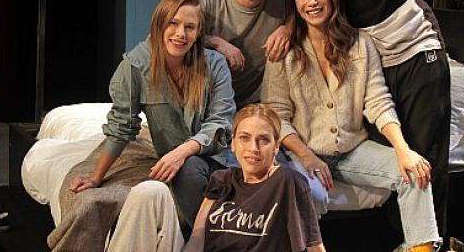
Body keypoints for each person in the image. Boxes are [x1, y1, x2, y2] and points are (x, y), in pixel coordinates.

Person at [203, 0, 461, 235]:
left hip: (416, 56)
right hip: (367, 72)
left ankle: (431, 242)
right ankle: (389, 238)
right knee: (379, 160)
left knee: (421, 160)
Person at [262, 0, 439, 252]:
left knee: (415, 174)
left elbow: (378, 101)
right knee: (305, 193)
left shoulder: (360, 43)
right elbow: (276, 115)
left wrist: (403, 149)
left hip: (353, 150)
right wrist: (307, 157)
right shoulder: (285, 51)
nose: (311, 2)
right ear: (294, 4)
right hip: (303, 152)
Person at [69, 0, 236, 233]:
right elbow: (121, 127)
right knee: (188, 170)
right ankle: (209, 240)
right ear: (159, 24)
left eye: (190, 27)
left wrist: (181, 151)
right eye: (173, 23)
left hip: (219, 157)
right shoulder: (134, 67)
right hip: (185, 167)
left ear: (199, 31)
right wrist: (96, 177)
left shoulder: (215, 64)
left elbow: (221, 122)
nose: (181, 34)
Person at [106, 104, 325, 252]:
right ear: (233, 144)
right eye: (245, 138)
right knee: (149, 191)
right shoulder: (222, 179)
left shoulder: (288, 181)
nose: (253, 148)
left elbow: (314, 245)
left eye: (264, 140)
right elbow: (197, 240)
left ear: (276, 147)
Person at [195, 0, 290, 107]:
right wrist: (214, 42)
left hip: (257, 106)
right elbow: (165, 34)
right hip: (206, 104)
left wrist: (289, 28)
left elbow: (317, 15)